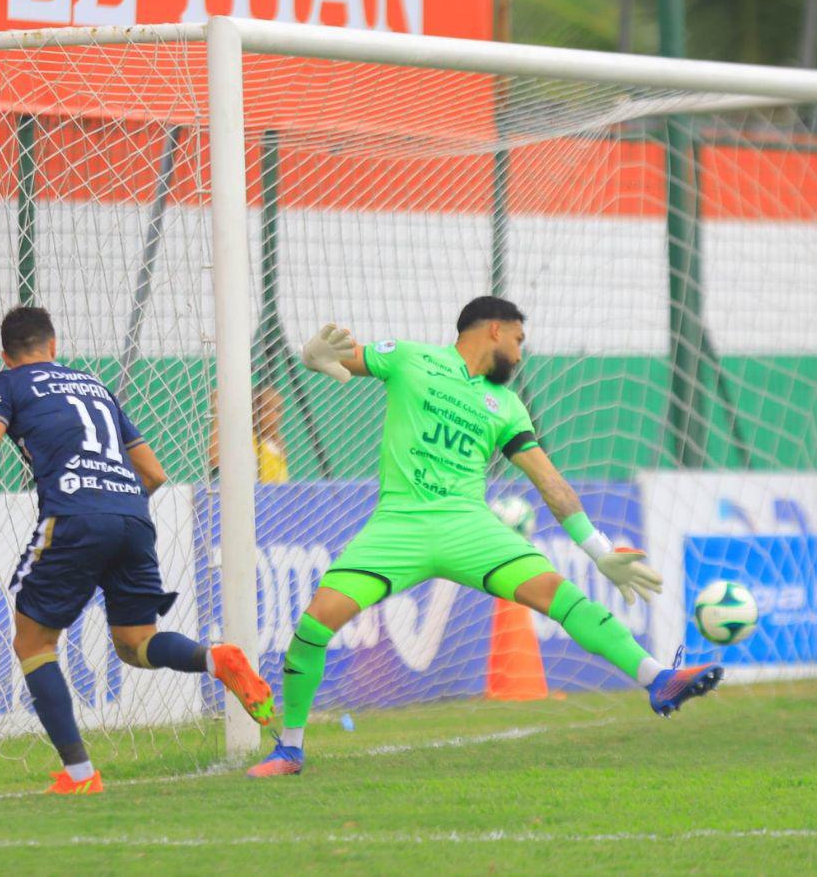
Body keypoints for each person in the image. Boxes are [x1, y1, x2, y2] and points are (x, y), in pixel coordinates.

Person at [247, 296, 722, 778]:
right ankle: (290, 749)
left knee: (563, 597)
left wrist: (599, 550)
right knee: (314, 625)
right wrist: (312, 355)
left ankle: (657, 677)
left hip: (469, 527)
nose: (520, 354)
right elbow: (334, 357)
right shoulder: (412, 358)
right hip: (399, 525)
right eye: (519, 340)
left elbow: (550, 482)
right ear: (495, 329)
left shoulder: (508, 405)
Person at [0, 306, 274, 795]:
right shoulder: (95, 386)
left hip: (73, 515)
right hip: (134, 517)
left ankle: (80, 775)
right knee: (135, 644)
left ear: (6, 356)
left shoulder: (6, 385)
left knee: (33, 644)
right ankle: (216, 659)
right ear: (54, 347)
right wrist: (115, 513)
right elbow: (155, 474)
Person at [209, 384, 289, 483]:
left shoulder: (277, 445)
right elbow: (216, 458)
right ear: (253, 411)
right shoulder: (247, 440)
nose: (273, 415)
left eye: (278, 409)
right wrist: (219, 412)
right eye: (266, 409)